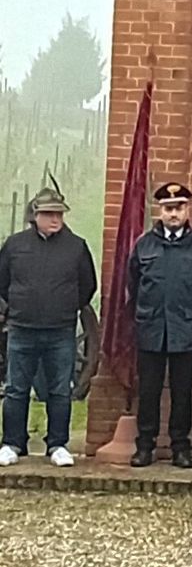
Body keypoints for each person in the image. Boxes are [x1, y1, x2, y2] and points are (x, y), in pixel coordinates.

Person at [0, 187, 97, 467]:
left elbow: (87, 286)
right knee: (17, 389)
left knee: (59, 390)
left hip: (61, 331)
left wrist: (65, 308)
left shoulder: (77, 246)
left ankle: (57, 444)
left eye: (59, 214)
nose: (55, 218)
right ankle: (12, 443)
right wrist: (18, 307)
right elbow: (2, 282)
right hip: (22, 329)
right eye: (49, 214)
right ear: (35, 216)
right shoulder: (14, 245)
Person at [128, 182, 192, 469]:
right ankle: (145, 446)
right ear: (160, 211)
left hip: (185, 329)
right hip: (152, 329)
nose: (173, 214)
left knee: (182, 392)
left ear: (187, 210)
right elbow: (134, 284)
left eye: (179, 208)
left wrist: (191, 313)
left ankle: (181, 447)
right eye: (168, 209)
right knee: (149, 390)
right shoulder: (144, 244)